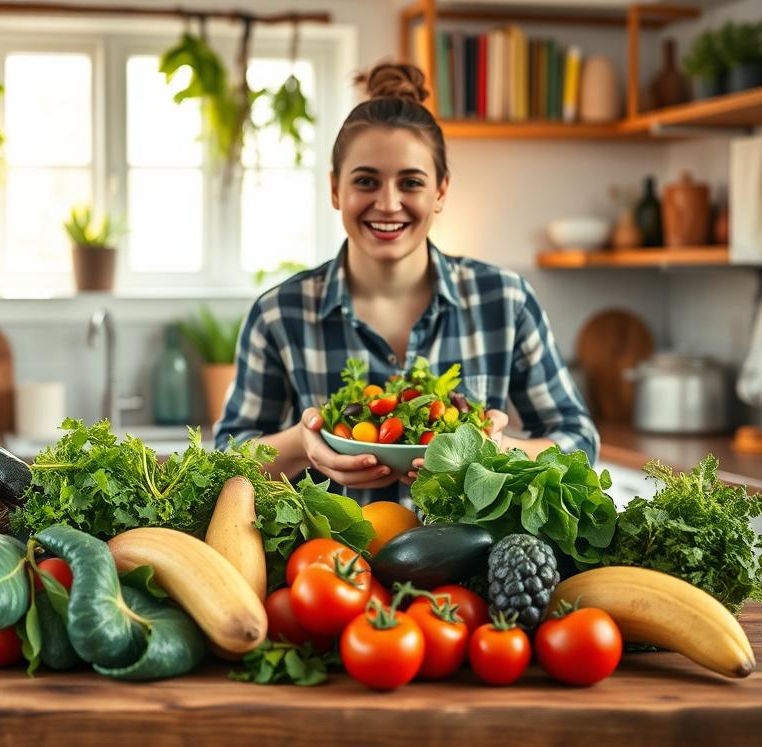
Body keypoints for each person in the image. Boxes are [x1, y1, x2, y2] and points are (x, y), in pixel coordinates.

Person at [215, 63, 597, 509]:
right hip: (328, 570)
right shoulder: (280, 313)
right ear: (336, 189)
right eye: (366, 181)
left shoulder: (505, 302)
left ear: (440, 192)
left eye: (411, 182)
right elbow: (227, 459)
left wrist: (500, 451)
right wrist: (304, 444)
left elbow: (579, 443)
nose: (388, 203)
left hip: (472, 571)